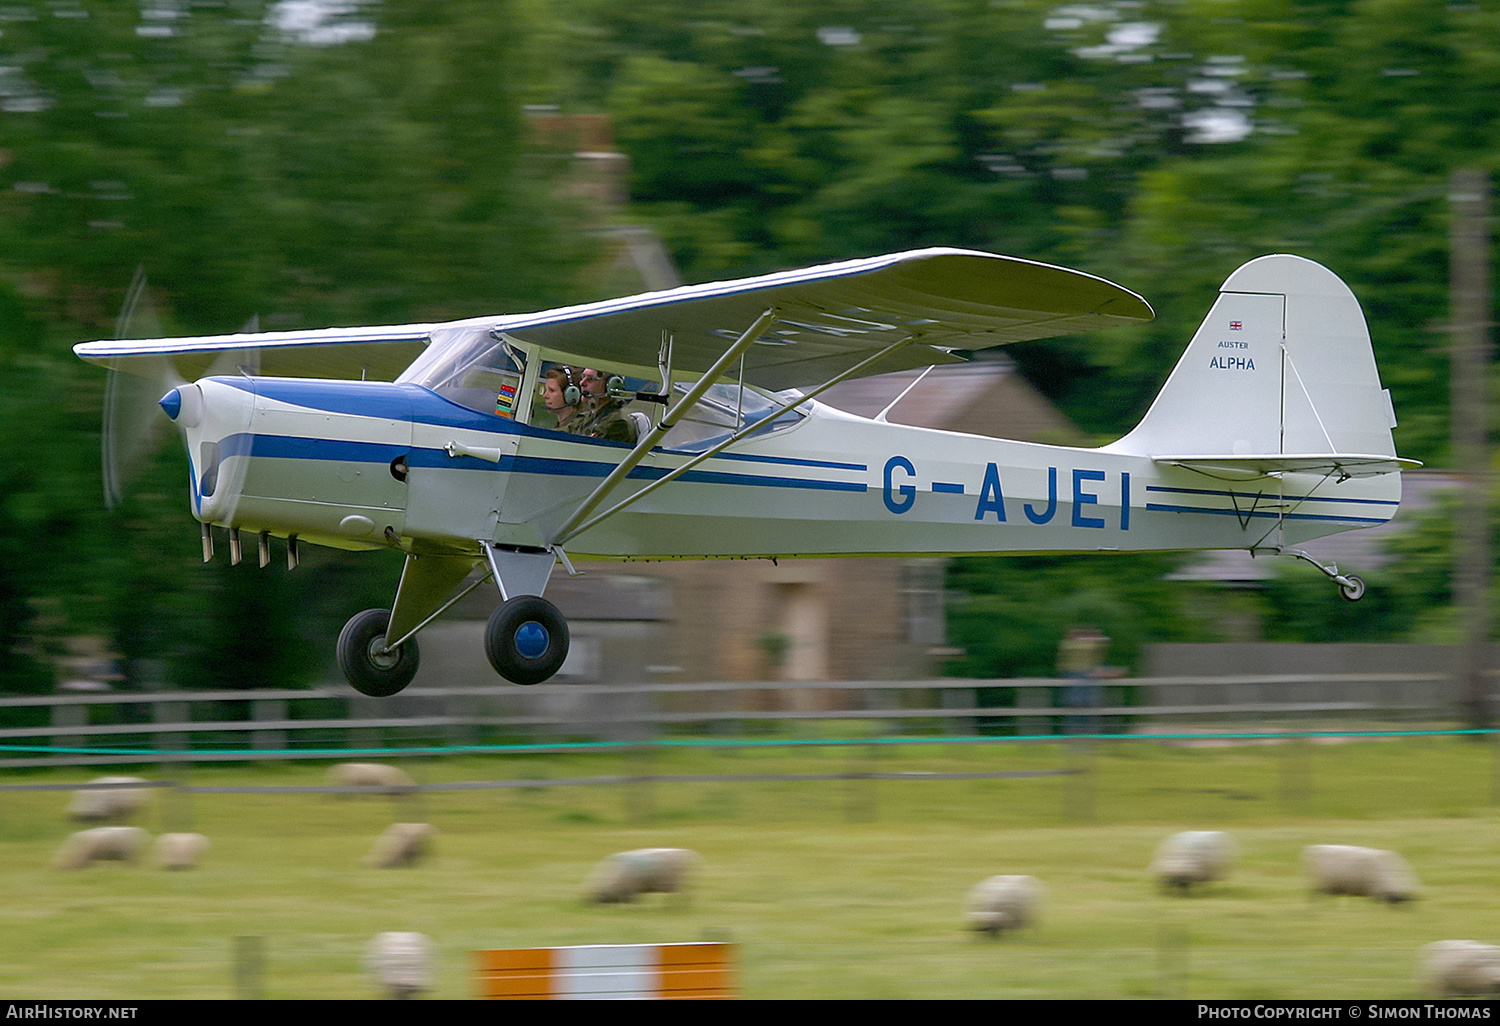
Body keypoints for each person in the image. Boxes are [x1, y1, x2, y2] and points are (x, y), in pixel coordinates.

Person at [575, 366, 636, 443]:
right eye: (583, 377)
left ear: (610, 386)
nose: (582, 383)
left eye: (590, 379)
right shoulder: (585, 418)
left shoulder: (616, 423)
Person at [540, 366, 584, 433]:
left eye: (552, 390)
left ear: (570, 394)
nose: (545, 396)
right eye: (546, 390)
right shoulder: (562, 425)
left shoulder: (580, 427)